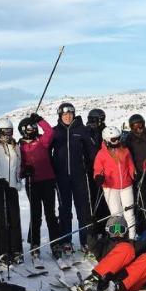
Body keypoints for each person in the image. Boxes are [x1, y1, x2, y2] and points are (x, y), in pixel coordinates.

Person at [50, 102, 96, 255]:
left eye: (70, 114)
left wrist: (94, 170)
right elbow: (46, 152)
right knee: (65, 210)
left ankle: (85, 241)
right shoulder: (55, 132)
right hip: (61, 177)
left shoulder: (82, 130)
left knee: (83, 210)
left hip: (79, 176)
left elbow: (92, 152)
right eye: (64, 114)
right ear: (60, 116)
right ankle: (66, 241)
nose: (68, 116)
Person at [19, 113, 59, 260]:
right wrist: (24, 171)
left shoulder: (41, 141)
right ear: (23, 129)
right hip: (33, 183)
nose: (34, 129)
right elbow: (19, 167)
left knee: (50, 214)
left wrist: (40, 120)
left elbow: (50, 132)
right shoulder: (21, 147)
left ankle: (55, 243)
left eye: (34, 127)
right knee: (35, 214)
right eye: (30, 127)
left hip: (48, 181)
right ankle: (34, 244)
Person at [0, 118, 24, 266]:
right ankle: (2, 251)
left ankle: (16, 250)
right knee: (2, 218)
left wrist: (18, 180)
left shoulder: (15, 146)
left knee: (14, 217)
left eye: (10, 132)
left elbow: (18, 164)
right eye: (4, 132)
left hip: (11, 186)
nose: (7, 135)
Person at [94, 126, 137, 238]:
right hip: (110, 188)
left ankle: (132, 238)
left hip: (126, 186)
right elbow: (97, 169)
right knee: (116, 215)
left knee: (129, 214)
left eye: (118, 138)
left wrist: (133, 173)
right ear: (106, 140)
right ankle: (119, 238)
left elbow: (130, 164)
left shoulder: (125, 150)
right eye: (113, 139)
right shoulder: (101, 154)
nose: (117, 141)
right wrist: (98, 176)